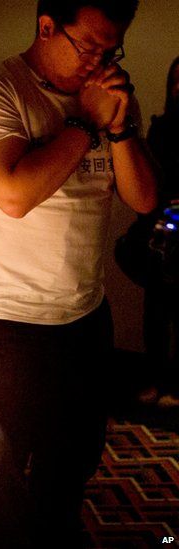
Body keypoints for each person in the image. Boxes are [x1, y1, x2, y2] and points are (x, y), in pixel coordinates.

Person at [0, 0, 157, 545]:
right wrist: (88, 121)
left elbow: (143, 198)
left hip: (86, 313)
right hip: (8, 321)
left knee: (72, 462)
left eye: (111, 49)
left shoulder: (108, 95)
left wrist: (120, 126)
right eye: (88, 46)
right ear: (47, 27)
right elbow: (15, 195)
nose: (99, 61)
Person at [139, 56, 179, 408]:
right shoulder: (161, 126)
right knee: (155, 310)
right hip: (161, 231)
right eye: (176, 81)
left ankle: (175, 386)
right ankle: (155, 379)